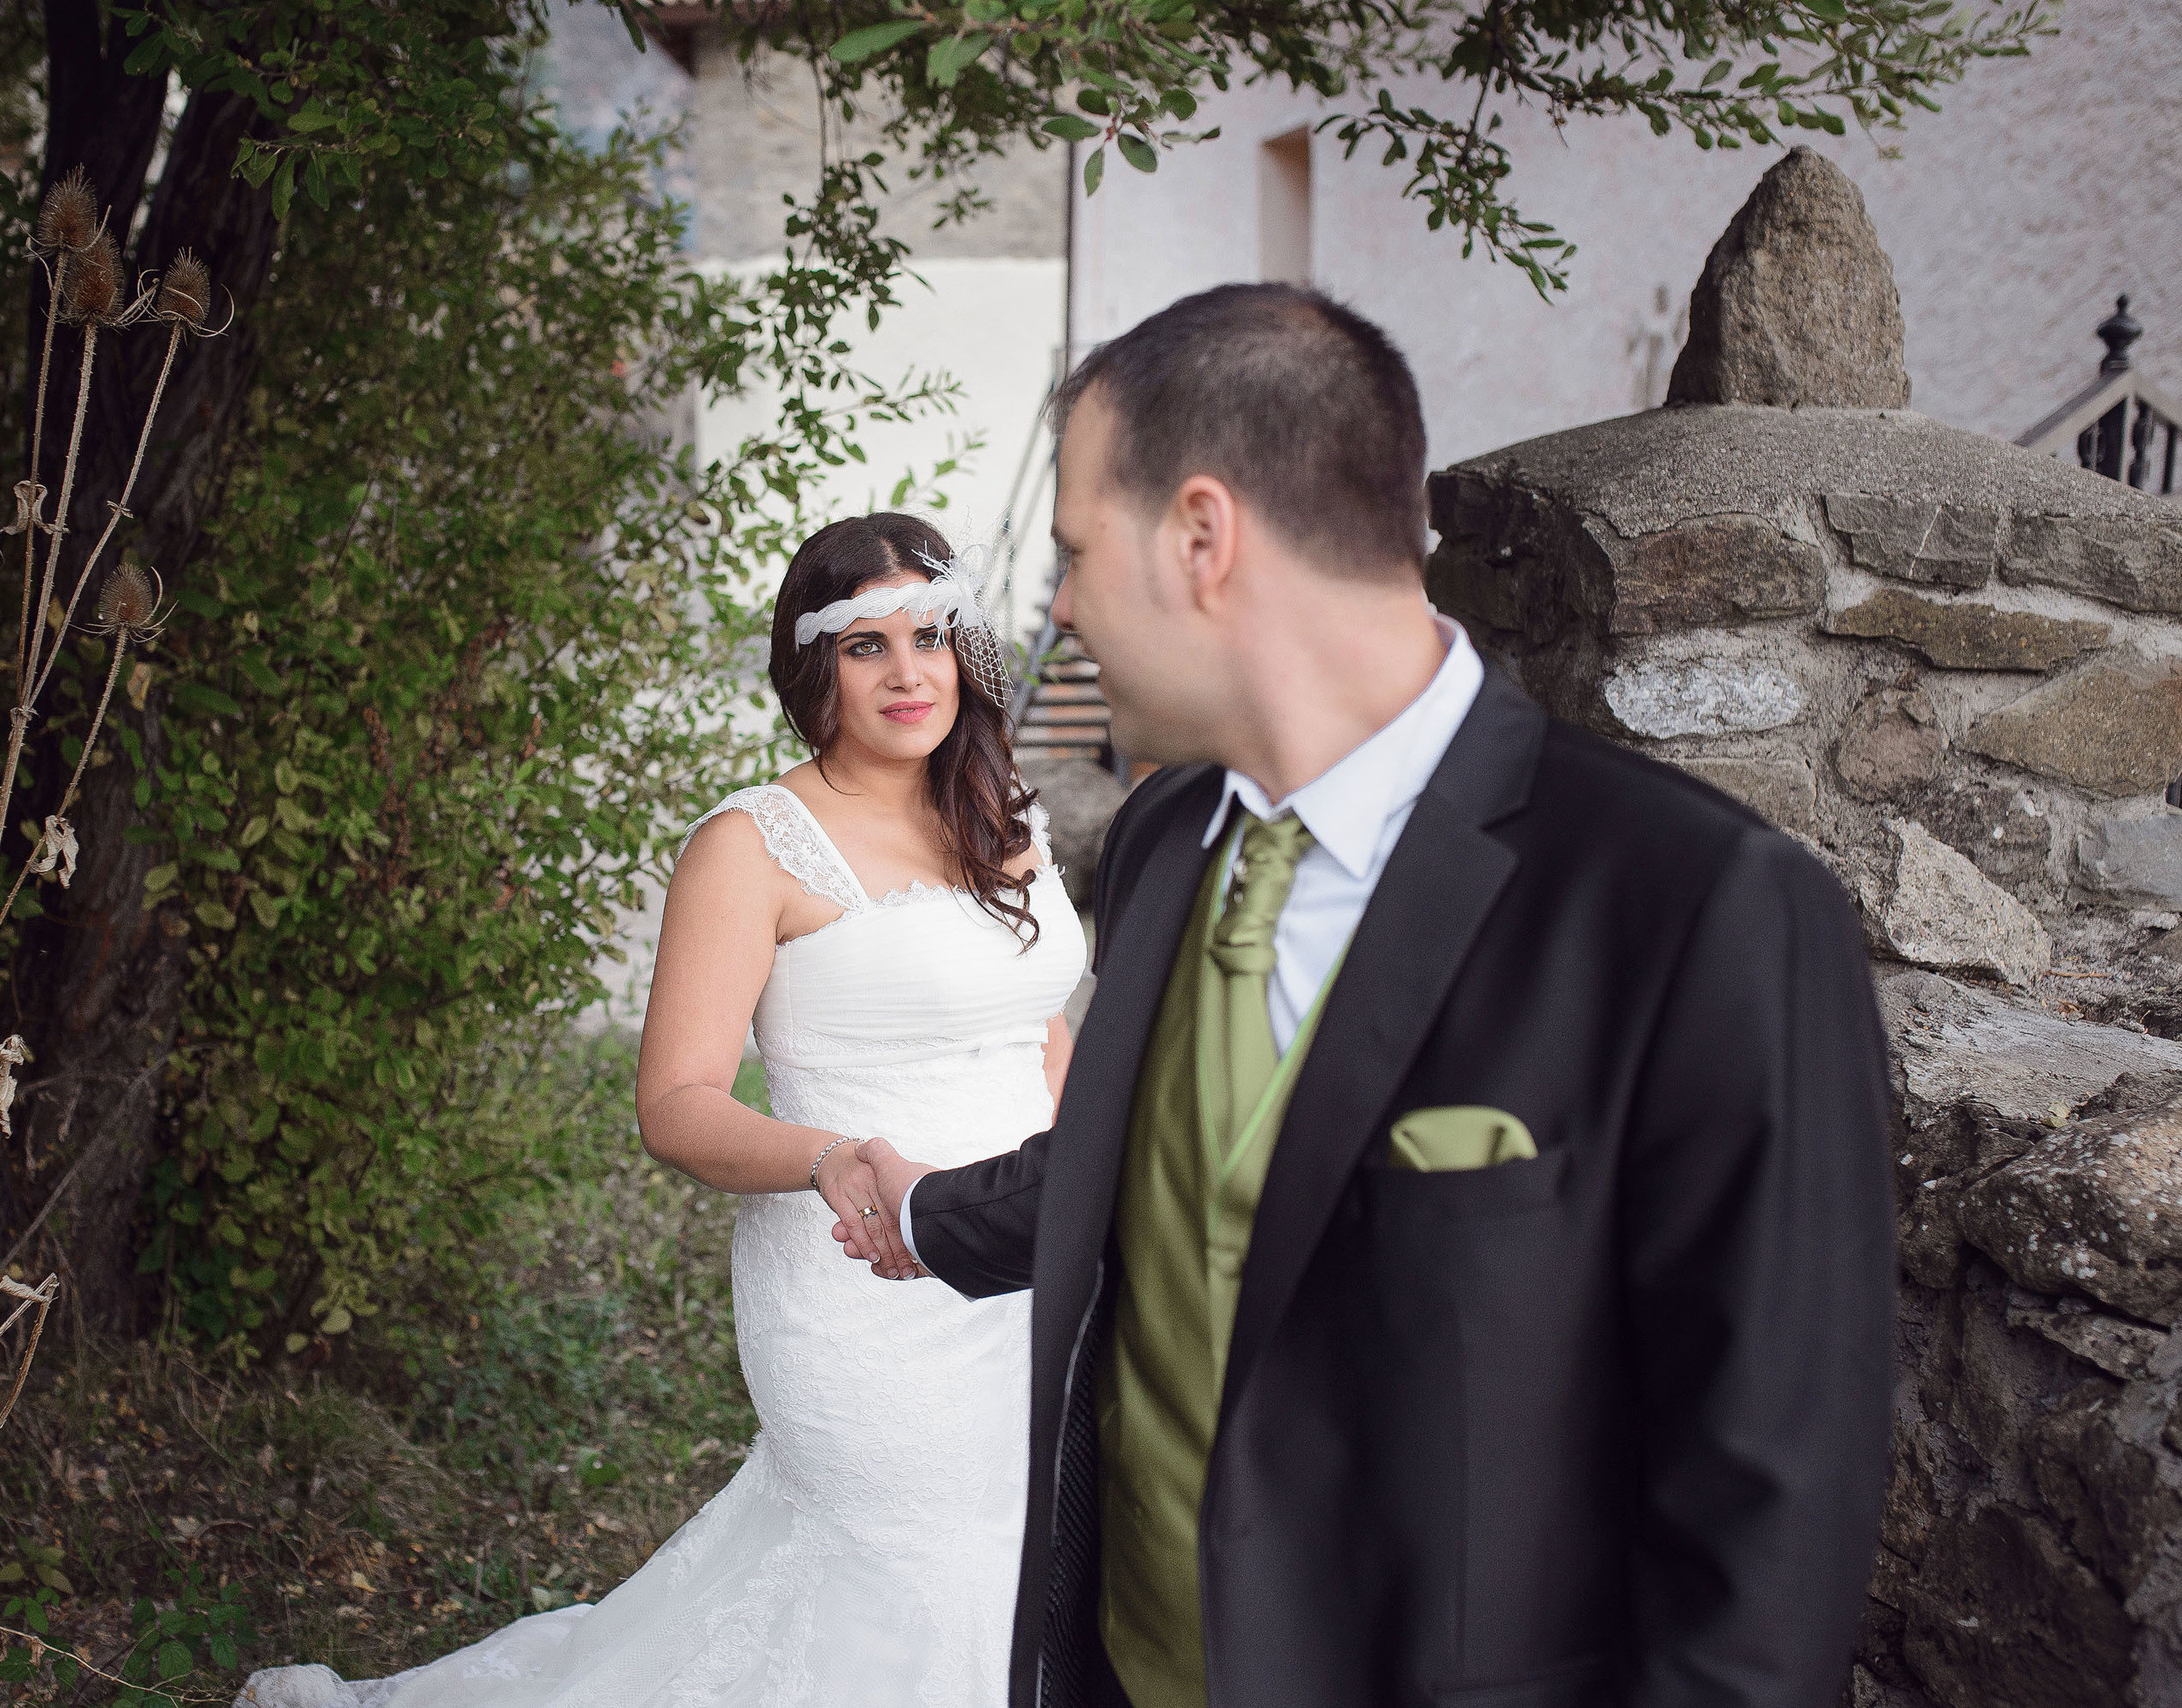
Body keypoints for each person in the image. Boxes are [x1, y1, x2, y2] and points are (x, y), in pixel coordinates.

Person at [838, 284, 1895, 1708]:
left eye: (1079, 552)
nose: (1064, 607)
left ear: (1204, 538)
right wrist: (914, 1207)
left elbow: (1763, 1554)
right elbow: (1145, 1180)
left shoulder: (1697, 910)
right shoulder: (1162, 840)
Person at [236, 511, 1086, 1708]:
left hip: (1025, 1265)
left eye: (933, 636)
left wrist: (1096, 1199)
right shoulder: (753, 845)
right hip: (862, 1291)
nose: (908, 672)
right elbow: (677, 1102)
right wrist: (829, 1154)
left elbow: (1040, 1034)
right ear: (812, 668)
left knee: (1020, 1567)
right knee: (914, 1570)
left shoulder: (1009, 821)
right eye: (865, 645)